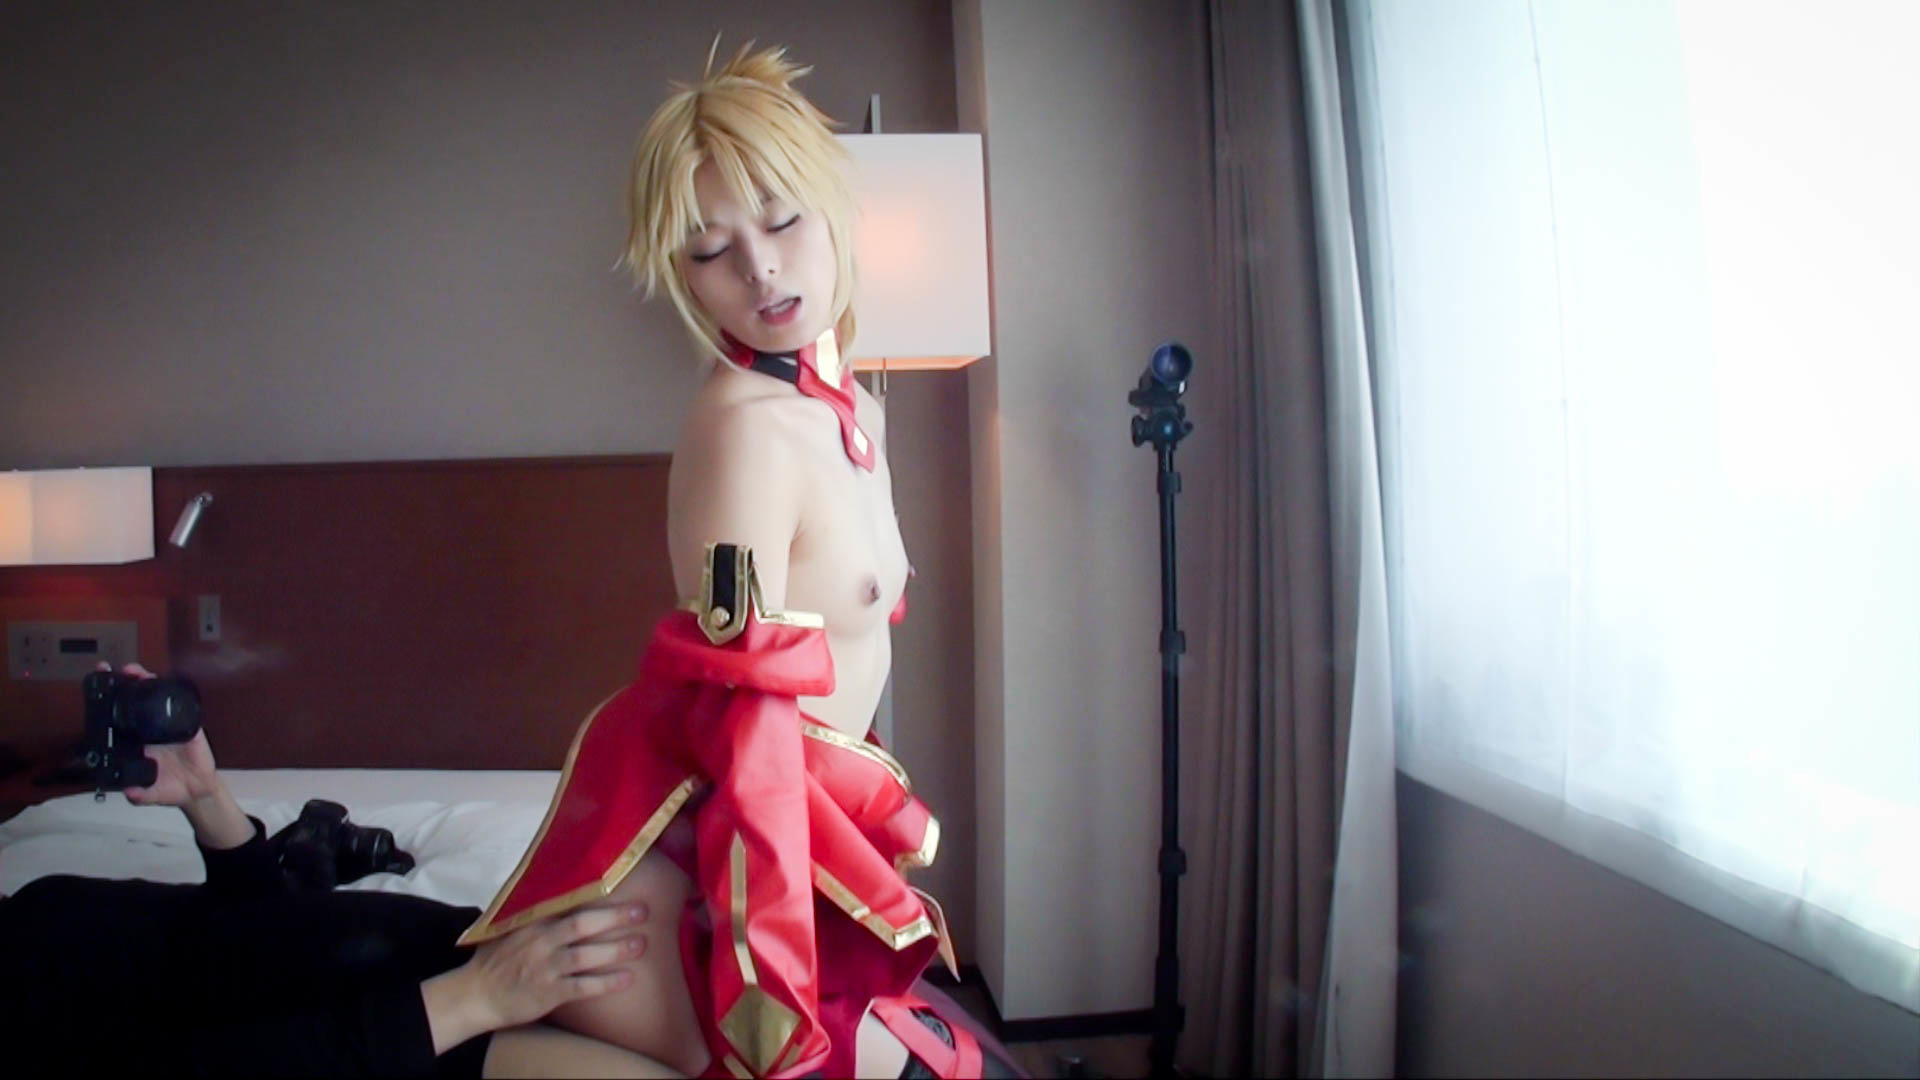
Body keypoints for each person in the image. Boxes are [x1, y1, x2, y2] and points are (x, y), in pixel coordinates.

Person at [458, 40, 1016, 1080]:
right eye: (712, 249)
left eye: (781, 220)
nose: (758, 268)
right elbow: (745, 723)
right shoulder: (745, 432)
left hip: (789, 837)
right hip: (704, 886)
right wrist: (775, 975)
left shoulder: (855, 413)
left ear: (833, 205)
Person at [0, 664, 680, 1079]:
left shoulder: (30, 910)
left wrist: (208, 802)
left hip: (422, 970)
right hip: (406, 1042)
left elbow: (232, 946)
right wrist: (471, 1002)